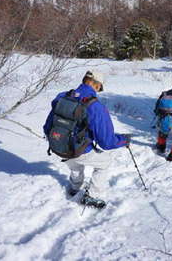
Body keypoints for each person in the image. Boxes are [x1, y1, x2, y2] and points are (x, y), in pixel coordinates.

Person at [43, 71, 130, 208]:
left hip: (58, 146)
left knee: (75, 163)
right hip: (78, 149)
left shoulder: (63, 96)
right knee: (105, 162)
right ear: (96, 85)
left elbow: (47, 126)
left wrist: (56, 140)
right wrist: (123, 140)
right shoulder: (95, 107)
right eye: (99, 88)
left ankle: (74, 187)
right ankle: (93, 195)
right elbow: (107, 142)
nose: (98, 91)